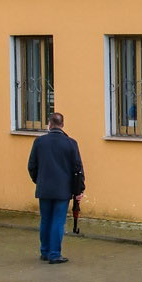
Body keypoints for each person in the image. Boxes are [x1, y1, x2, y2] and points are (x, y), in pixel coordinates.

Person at [27, 111, 84, 264]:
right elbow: (77, 169)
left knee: (45, 220)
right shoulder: (71, 143)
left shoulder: (39, 142)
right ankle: (54, 254)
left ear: (49, 124)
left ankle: (44, 251)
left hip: (44, 188)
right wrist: (79, 190)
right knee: (58, 221)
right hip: (63, 190)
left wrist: (38, 180)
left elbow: (32, 166)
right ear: (62, 125)